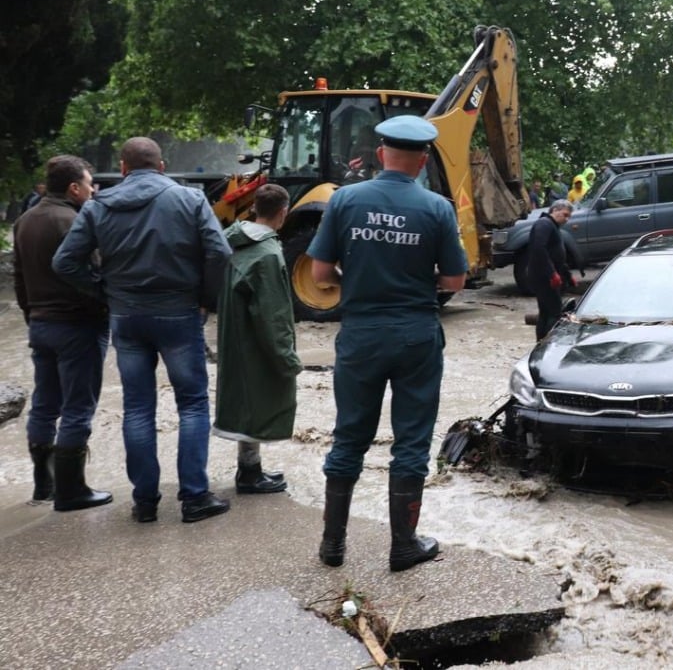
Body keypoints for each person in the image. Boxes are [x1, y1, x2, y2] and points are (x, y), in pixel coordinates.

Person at [308, 115, 469, 573]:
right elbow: (454, 279)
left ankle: (332, 546)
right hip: (416, 333)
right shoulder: (437, 208)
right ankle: (403, 546)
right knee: (411, 440)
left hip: (360, 333)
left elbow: (320, 275)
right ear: (422, 161)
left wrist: (358, 281)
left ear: (381, 155)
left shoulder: (344, 200)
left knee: (349, 437)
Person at [53, 137, 232, 524]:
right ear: (162, 166)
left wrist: (104, 290)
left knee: (137, 409)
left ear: (122, 168)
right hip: (179, 313)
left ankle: (145, 501)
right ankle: (194, 498)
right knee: (193, 404)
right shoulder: (190, 200)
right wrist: (205, 298)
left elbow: (65, 262)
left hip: (127, 317)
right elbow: (220, 252)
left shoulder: (99, 205)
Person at [14, 156, 111, 510]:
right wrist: (103, 305)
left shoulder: (25, 220)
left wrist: (31, 315)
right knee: (77, 407)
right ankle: (72, 491)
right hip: (77, 324)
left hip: (40, 324)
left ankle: (44, 485)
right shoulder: (75, 220)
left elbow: (19, 278)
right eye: (89, 184)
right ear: (74, 187)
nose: (93, 190)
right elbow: (94, 269)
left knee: (44, 404)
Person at [213, 183, 301, 495]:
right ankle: (249, 475)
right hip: (256, 342)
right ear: (283, 212)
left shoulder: (230, 241)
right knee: (260, 403)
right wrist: (287, 357)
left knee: (244, 404)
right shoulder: (268, 253)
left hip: (232, 337)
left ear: (253, 209)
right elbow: (273, 313)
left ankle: (249, 469)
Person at [528, 199, 576, 340]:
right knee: (554, 312)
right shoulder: (544, 224)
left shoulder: (552, 226)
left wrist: (567, 275)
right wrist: (552, 274)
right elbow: (539, 249)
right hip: (543, 277)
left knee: (545, 311)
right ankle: (549, 342)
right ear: (555, 210)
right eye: (565, 215)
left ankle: (541, 341)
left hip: (547, 276)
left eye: (569, 217)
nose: (567, 219)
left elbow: (556, 256)